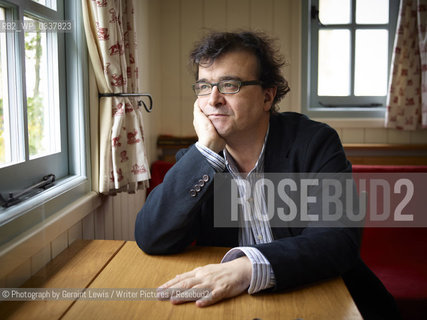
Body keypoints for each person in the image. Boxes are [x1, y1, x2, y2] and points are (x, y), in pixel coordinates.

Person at [135, 31, 400, 319]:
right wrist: (208, 150)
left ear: (267, 96)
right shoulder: (198, 160)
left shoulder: (314, 143)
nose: (213, 99)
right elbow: (151, 237)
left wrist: (247, 267)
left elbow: (337, 238)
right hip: (241, 308)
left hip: (327, 300)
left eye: (229, 85)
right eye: (203, 86)